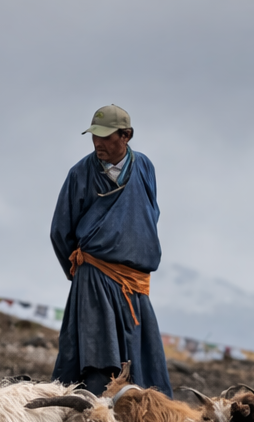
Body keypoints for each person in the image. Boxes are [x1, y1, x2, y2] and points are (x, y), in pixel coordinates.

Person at [50, 104, 171, 396]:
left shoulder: (144, 167)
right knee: (98, 361)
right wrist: (81, 272)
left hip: (134, 282)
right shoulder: (80, 173)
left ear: (126, 136)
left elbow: (149, 214)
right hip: (94, 277)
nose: (97, 143)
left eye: (105, 136)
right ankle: (95, 421)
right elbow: (60, 231)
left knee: (143, 361)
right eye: (94, 136)